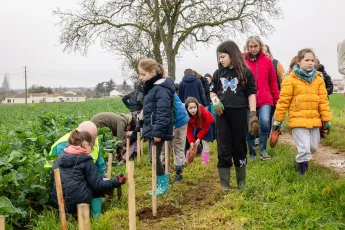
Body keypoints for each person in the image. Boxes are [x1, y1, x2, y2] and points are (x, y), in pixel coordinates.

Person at [273, 48, 332, 175]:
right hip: (298, 120)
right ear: (298, 62)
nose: (310, 63)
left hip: (314, 120)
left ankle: (300, 160)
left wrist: (327, 120)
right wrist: (278, 121)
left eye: (312, 60)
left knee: (313, 147)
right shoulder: (290, 80)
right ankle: (302, 172)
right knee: (304, 148)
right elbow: (283, 102)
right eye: (307, 60)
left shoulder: (319, 79)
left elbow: (323, 101)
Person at [211, 40, 258, 190]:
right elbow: (212, 90)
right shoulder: (218, 73)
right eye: (219, 57)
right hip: (222, 114)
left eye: (223, 56)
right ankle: (225, 183)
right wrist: (215, 100)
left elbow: (251, 94)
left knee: (239, 145)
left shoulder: (246, 72)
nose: (221, 60)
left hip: (239, 113)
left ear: (232, 54)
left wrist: (253, 115)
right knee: (223, 146)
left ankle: (241, 182)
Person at [50, 129, 126, 216]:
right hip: (78, 204)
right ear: (86, 144)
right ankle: (96, 216)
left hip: (58, 203)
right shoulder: (86, 159)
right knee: (96, 187)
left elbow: (52, 180)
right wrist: (116, 181)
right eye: (92, 147)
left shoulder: (61, 156)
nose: (91, 150)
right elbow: (97, 185)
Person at [138, 58, 175, 197]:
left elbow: (163, 111)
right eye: (140, 74)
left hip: (158, 130)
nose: (140, 77)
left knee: (154, 158)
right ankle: (160, 184)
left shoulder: (161, 88)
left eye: (143, 74)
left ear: (153, 72)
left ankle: (162, 186)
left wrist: (158, 132)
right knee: (152, 158)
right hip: (152, 128)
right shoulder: (153, 88)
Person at [244, 36, 280, 160]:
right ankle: (252, 153)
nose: (253, 49)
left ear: (260, 46)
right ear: (247, 47)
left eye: (255, 46)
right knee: (250, 126)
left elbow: (273, 82)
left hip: (265, 98)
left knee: (265, 122)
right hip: (248, 100)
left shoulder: (267, 61)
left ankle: (263, 150)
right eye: (250, 46)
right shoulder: (243, 61)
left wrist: (276, 100)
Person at [161, 93, 190, 183]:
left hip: (178, 121)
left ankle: (178, 175)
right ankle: (164, 173)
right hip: (169, 121)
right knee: (165, 149)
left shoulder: (160, 91)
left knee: (177, 148)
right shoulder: (166, 86)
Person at [185, 97, 215, 164]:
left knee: (204, 141)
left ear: (197, 106)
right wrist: (191, 142)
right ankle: (189, 156)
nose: (193, 110)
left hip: (208, 124)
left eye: (194, 107)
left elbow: (205, 127)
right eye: (190, 108)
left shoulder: (203, 112)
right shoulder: (186, 116)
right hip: (198, 125)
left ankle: (205, 160)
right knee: (192, 141)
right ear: (187, 109)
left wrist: (199, 138)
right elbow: (189, 130)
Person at [314, 58, 333, 138]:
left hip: (322, 99)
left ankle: (321, 133)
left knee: (322, 116)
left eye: (314, 63)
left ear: (318, 65)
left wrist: (323, 92)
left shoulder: (325, 76)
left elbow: (330, 87)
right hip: (313, 99)